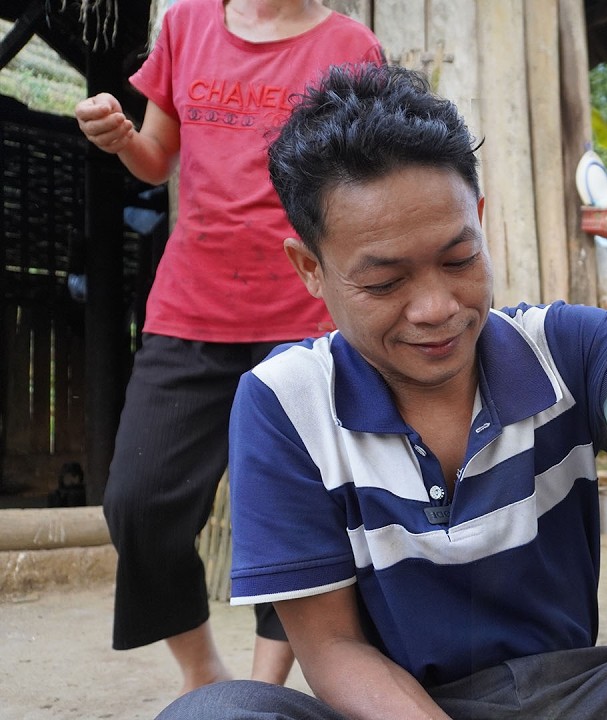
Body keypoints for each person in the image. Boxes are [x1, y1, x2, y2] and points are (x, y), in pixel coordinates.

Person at [155, 62, 607, 720]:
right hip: (396, 709)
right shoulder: (284, 404)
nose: (436, 306)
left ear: (482, 216)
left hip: (584, 696)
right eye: (384, 281)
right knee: (212, 715)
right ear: (310, 268)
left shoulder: (571, 349)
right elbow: (334, 650)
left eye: (459, 257)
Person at [72, 0, 382, 694]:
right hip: (191, 304)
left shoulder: (350, 45)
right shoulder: (186, 25)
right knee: (138, 502)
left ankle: (265, 688)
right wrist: (122, 136)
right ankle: (203, 673)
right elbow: (157, 160)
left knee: (301, 508)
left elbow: (363, 178)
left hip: (304, 312)